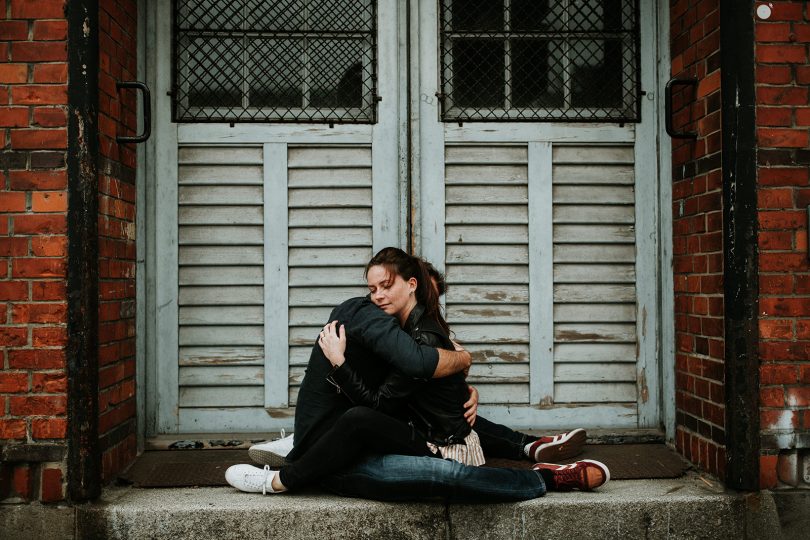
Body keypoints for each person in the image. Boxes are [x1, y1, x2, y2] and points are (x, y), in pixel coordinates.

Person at [226, 248, 609, 499]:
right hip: (349, 441)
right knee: (440, 474)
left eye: (385, 287)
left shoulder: (409, 333)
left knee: (442, 458)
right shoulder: (367, 318)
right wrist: (462, 359)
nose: (378, 294)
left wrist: (461, 385)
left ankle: (535, 455)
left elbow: (417, 379)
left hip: (375, 433)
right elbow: (416, 367)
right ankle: (283, 474)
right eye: (374, 287)